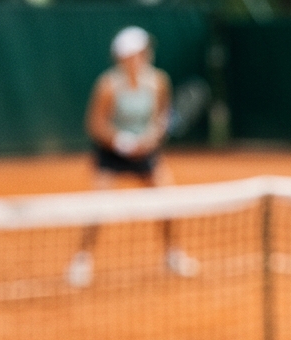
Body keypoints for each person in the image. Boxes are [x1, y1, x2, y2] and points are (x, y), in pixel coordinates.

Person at [67, 26, 198, 289]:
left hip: (146, 152)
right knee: (96, 207)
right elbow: (95, 124)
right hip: (112, 153)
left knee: (168, 200)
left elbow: (162, 116)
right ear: (122, 57)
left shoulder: (158, 81)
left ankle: (172, 254)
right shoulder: (108, 85)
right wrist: (122, 142)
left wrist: (152, 136)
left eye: (143, 51)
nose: (141, 56)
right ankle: (82, 259)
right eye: (135, 52)